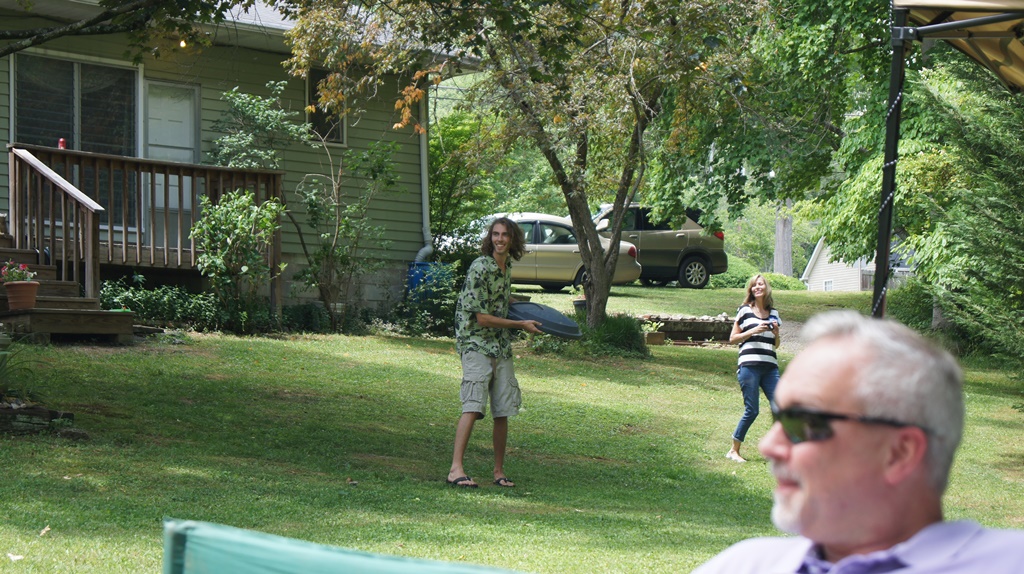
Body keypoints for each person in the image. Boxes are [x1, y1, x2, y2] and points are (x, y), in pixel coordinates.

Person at [693, 310, 1024, 573]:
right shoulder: (744, 564)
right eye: (778, 418)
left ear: (899, 453)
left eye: (803, 422)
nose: (768, 446)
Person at [446, 217, 542, 489]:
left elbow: (500, 297)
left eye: (505, 235)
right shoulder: (480, 266)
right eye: (496, 234)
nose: (500, 239)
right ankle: (455, 470)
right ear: (491, 238)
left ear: (513, 239)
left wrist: (525, 308)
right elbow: (482, 318)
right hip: (475, 342)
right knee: (473, 405)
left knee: (502, 409)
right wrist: (520, 324)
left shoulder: (505, 265)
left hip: (499, 343)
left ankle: (498, 471)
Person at [726, 274, 781, 462]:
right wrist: (753, 330)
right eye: (754, 285)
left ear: (766, 288)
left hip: (770, 368)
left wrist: (776, 333)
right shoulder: (744, 311)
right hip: (749, 366)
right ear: (750, 289)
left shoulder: (774, 313)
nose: (758, 287)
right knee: (752, 410)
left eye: (761, 284)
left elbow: (776, 344)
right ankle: (734, 450)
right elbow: (733, 339)